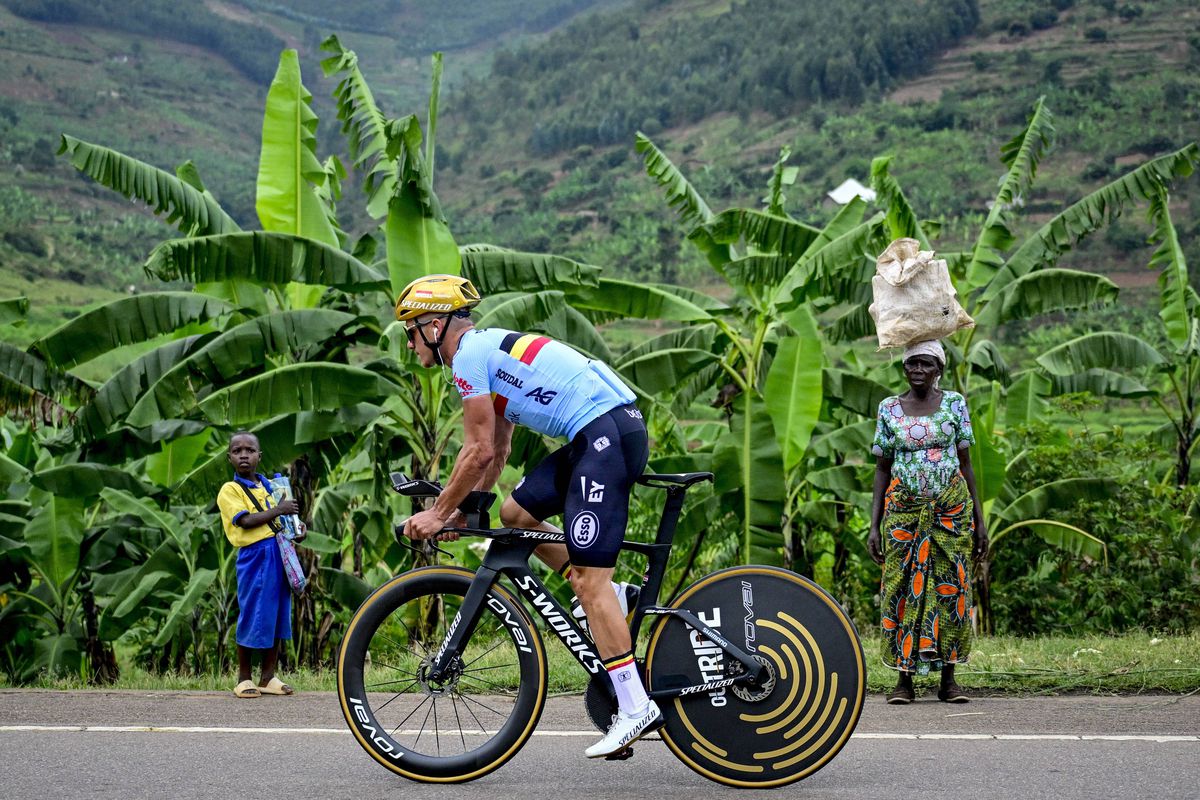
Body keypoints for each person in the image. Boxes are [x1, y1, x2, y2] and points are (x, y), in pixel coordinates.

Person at [395, 274, 657, 758]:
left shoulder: (469, 356)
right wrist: (467, 511)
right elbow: (496, 452)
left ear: (434, 325)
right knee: (516, 513)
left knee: (587, 582)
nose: (409, 344)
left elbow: (473, 451)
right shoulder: (488, 355)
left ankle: (635, 704)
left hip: (606, 436)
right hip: (597, 435)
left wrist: (437, 513)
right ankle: (617, 598)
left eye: (410, 332)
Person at [867, 340, 988, 704]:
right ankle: (903, 681)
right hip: (904, 512)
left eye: (926, 364)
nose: (918, 370)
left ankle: (949, 681)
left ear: (939, 370)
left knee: (952, 588)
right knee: (900, 589)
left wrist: (980, 523)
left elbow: (966, 465)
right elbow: (882, 469)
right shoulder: (889, 408)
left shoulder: (954, 404)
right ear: (904, 368)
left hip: (951, 513)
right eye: (912, 364)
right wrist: (873, 525)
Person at [216, 431, 305, 699]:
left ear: (259, 456)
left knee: (276, 615)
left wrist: (297, 529)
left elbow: (279, 523)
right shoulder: (230, 490)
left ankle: (268, 676)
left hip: (278, 552)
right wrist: (279, 510)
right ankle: (244, 677)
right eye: (237, 450)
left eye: (250, 450)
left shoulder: (270, 486)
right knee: (252, 612)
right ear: (229, 457)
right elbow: (245, 521)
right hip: (254, 556)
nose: (244, 455)